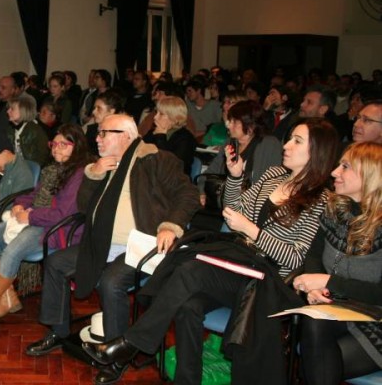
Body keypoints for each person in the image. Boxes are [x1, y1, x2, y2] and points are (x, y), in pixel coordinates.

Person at [82, 118, 340, 385]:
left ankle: (131, 342)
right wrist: (235, 177)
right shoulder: (274, 176)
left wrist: (253, 231)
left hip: (267, 282)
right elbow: (233, 210)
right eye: (289, 138)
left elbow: (294, 258)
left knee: (191, 268)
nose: (286, 145)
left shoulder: (320, 199)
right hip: (237, 263)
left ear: (317, 151)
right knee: (188, 304)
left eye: (297, 141)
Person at [24, 114, 200, 384]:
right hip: (103, 242)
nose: (97, 138)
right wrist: (94, 175)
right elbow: (83, 207)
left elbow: (189, 194)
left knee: (111, 281)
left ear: (126, 136)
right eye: (98, 133)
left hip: (138, 245)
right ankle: (59, 332)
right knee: (56, 263)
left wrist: (171, 225)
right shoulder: (103, 165)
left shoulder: (155, 159)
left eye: (104, 133)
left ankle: (118, 354)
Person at [0, 124, 94, 325]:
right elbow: (34, 194)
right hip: (38, 219)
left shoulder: (79, 174)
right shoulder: (52, 169)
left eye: (64, 144)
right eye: (54, 144)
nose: (56, 148)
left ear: (77, 146)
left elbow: (62, 213)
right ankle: (8, 299)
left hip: (58, 228)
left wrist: (30, 217)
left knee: (13, 250)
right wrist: (19, 205)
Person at [292, 142, 382, 385]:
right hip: (340, 308)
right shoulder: (335, 209)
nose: (334, 172)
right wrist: (315, 286)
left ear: (370, 175)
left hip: (377, 319)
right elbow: (313, 256)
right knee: (314, 328)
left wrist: (330, 281)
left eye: (345, 167)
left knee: (317, 361)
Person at [197, 100, 283, 207]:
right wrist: (202, 191)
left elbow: (271, 185)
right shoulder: (229, 143)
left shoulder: (269, 144)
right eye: (229, 120)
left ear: (250, 125)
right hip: (224, 204)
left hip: (252, 208)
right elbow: (207, 174)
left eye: (234, 121)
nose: (228, 125)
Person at [141, 96, 197, 175]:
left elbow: (170, 166)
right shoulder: (152, 133)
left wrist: (160, 136)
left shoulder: (186, 138)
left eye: (161, 114)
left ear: (174, 118)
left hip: (175, 183)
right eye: (156, 112)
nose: (155, 117)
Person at [6, 94, 50, 166]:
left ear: (23, 110)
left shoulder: (36, 131)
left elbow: (42, 158)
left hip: (30, 170)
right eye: (8, 109)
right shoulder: (10, 129)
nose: (8, 111)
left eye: (12, 109)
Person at [84, 89, 126, 156]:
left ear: (111, 111)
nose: (93, 112)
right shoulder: (91, 129)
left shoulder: (119, 134)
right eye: (94, 108)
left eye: (99, 108)